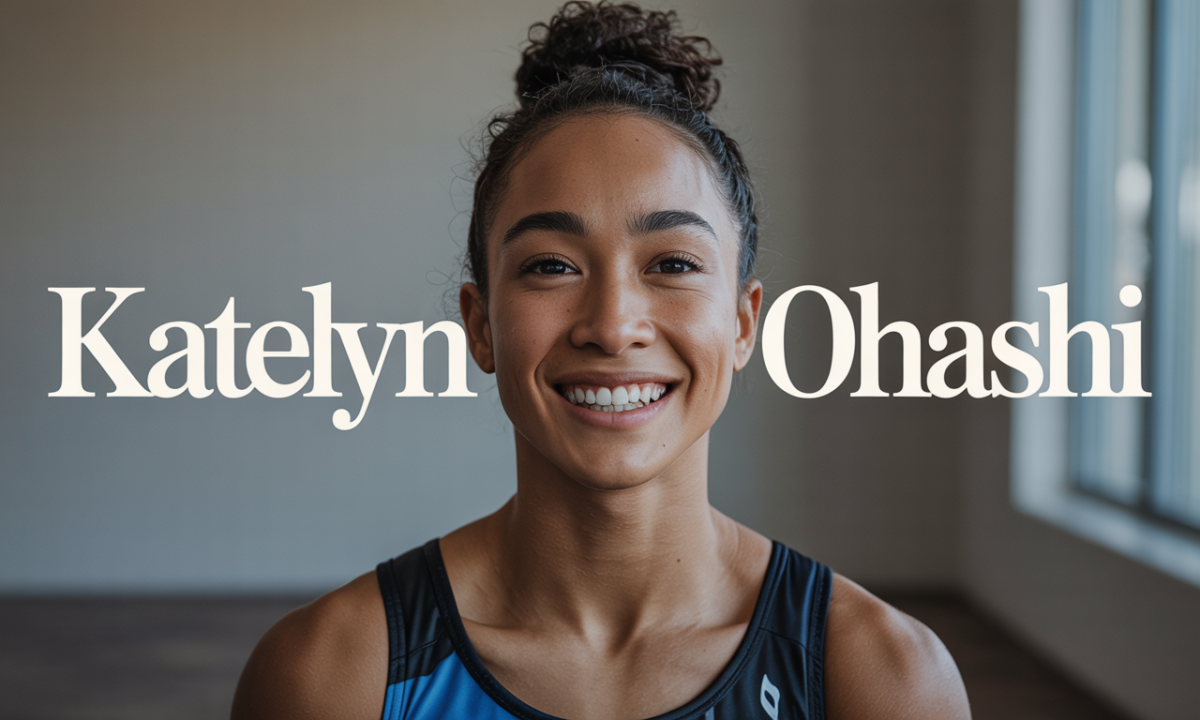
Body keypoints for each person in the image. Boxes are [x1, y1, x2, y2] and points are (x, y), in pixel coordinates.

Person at [231, 3, 971, 719]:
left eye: (674, 262)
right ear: (481, 325)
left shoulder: (879, 677)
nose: (613, 326)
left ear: (744, 324)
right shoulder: (331, 675)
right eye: (551, 266)